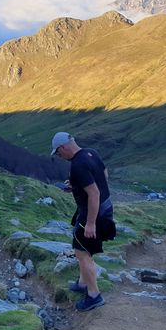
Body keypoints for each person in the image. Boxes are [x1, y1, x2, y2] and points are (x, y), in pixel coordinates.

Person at [51, 132, 116, 312]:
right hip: (105, 207)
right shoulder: (90, 152)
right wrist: (77, 185)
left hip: (93, 213)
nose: (59, 157)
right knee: (84, 248)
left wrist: (90, 223)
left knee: (81, 253)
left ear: (63, 147)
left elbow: (93, 193)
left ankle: (94, 295)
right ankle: (82, 283)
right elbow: (103, 173)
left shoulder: (78, 165)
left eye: (58, 153)